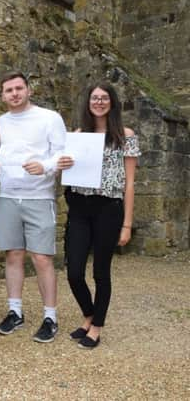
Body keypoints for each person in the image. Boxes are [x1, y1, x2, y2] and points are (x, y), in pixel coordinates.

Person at [57, 83, 140, 349]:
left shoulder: (125, 135)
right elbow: (67, 173)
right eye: (95, 97)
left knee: (101, 272)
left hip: (108, 208)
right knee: (74, 272)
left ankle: (97, 326)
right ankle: (89, 314)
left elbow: (129, 183)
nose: (99, 102)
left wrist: (127, 224)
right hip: (80, 206)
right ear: (88, 102)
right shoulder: (80, 135)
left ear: (112, 103)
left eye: (104, 98)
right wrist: (64, 165)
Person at [0, 70, 66, 343]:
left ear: (28, 90)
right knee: (13, 255)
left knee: (42, 257)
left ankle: (50, 316)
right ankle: (15, 312)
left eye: (19, 88)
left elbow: (62, 153)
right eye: (9, 90)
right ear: (3, 95)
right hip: (8, 196)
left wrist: (45, 166)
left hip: (39, 197)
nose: (14, 93)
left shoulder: (49, 118)